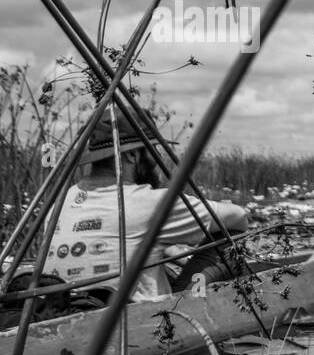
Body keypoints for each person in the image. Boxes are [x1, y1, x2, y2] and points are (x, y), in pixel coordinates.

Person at [44, 117, 248, 302]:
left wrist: (165, 247)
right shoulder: (149, 202)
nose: (156, 161)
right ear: (132, 155)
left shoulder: (61, 201)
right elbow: (238, 217)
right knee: (232, 241)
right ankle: (189, 306)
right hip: (137, 320)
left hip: (64, 310)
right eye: (153, 151)